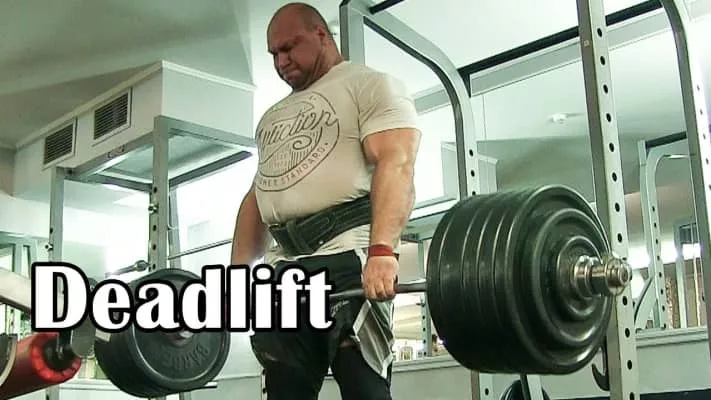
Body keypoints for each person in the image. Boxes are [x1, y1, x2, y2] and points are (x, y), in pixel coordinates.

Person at [230, 2, 421, 399]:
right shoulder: (271, 118)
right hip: (284, 268)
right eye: (274, 54)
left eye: (289, 48)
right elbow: (257, 197)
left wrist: (383, 251)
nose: (281, 61)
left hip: (347, 257)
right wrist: (236, 279)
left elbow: (397, 161)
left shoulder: (369, 85)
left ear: (321, 34)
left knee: (363, 387)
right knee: (284, 391)